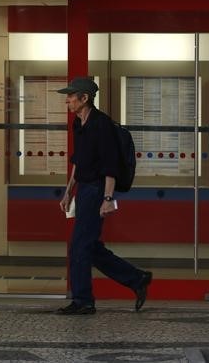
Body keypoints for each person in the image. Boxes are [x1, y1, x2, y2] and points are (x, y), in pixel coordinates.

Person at [56, 77, 152, 315]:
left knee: (79, 246)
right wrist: (69, 191)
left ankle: (83, 300)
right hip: (84, 189)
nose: (67, 100)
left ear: (84, 98)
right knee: (88, 246)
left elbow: (110, 165)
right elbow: (78, 162)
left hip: (98, 189)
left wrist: (108, 200)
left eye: (71, 96)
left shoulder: (102, 124)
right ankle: (136, 278)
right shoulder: (78, 123)